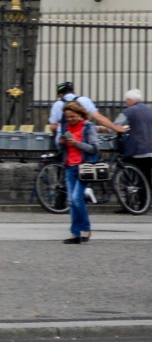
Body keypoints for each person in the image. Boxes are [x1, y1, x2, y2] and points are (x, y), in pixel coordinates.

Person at [52, 82, 118, 244]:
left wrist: (77, 144)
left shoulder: (88, 127)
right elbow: (60, 146)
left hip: (84, 167)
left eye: (73, 117)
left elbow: (95, 148)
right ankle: (75, 233)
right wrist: (61, 142)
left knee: (76, 199)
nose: (70, 120)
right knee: (71, 201)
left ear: (80, 114)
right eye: (68, 117)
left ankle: (86, 229)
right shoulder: (65, 126)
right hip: (69, 166)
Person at [121, 88, 152, 179]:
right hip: (150, 149)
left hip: (137, 150)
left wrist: (106, 129)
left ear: (130, 100)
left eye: (127, 101)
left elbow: (116, 124)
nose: (126, 103)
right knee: (146, 176)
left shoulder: (129, 111)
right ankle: (147, 192)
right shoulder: (149, 109)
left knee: (136, 175)